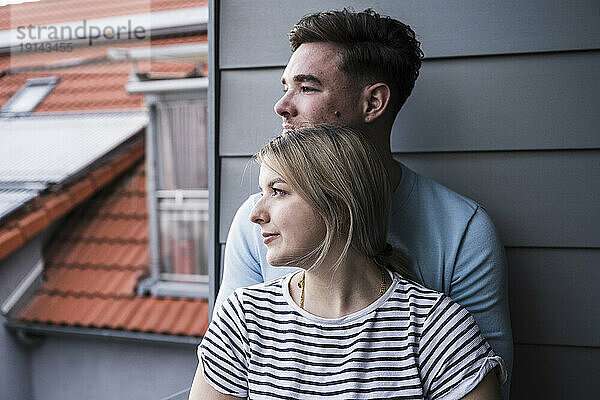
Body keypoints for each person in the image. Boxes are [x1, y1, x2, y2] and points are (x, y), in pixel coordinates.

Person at [216, 8, 512, 395]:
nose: (282, 106)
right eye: (285, 87)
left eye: (307, 88)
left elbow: (483, 383)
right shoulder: (255, 225)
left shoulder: (462, 232)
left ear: (373, 103)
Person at [190, 125, 506, 399]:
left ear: (340, 204)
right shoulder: (243, 318)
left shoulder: (438, 329)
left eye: (278, 191)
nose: (255, 213)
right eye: (262, 191)